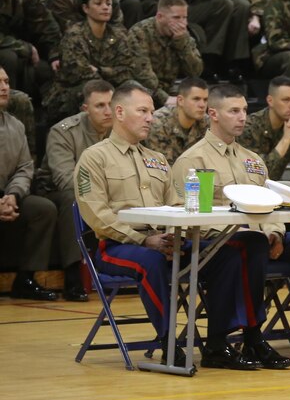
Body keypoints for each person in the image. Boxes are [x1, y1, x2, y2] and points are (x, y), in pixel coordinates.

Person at [76, 82, 264, 370]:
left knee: (226, 253)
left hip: (164, 241)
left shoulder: (158, 160)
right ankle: (169, 343)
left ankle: (217, 343)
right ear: (119, 112)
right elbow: (96, 214)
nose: (151, 118)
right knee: (151, 261)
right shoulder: (95, 158)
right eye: (143, 111)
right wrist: (143, 241)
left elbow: (178, 206)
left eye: (152, 112)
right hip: (116, 246)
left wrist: (176, 235)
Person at [172, 84, 290, 368]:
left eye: (245, 110)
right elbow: (190, 217)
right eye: (234, 111)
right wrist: (245, 233)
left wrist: (276, 233)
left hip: (263, 241)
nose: (242, 116)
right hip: (216, 247)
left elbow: (272, 205)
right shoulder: (193, 161)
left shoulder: (253, 160)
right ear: (213, 114)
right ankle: (238, 339)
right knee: (248, 244)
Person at [34, 79, 114, 301]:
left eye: (110, 104)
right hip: (54, 191)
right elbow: (65, 179)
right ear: (85, 109)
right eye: (100, 106)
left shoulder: (120, 130)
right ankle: (73, 276)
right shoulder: (64, 132)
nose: (107, 111)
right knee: (73, 199)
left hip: (102, 192)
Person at [43, 0, 157, 124]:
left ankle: (139, 133)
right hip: (72, 92)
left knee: (134, 87)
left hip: (109, 88)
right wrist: (110, 75)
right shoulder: (74, 34)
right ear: (85, 8)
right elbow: (78, 73)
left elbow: (127, 70)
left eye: (108, 4)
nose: (105, 7)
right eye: (98, 3)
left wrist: (100, 70)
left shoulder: (118, 35)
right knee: (93, 91)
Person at [0, 66, 58, 301]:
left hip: (7, 195)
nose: (4, 87)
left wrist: (13, 196)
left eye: (5, 82)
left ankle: (25, 279)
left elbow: (25, 167)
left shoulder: (16, 125)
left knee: (43, 209)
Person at [124, 0, 204, 106]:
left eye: (184, 18)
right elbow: (142, 76)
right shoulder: (140, 33)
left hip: (169, 90)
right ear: (160, 17)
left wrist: (181, 43)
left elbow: (195, 72)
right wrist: (166, 99)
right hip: (143, 92)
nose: (182, 23)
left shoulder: (183, 35)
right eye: (176, 18)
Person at [0, 0, 61, 95]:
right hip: (8, 50)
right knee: (9, 58)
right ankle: (8, 107)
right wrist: (24, 47)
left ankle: (36, 112)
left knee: (46, 69)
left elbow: (44, 22)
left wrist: (55, 54)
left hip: (16, 48)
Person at [238, 75, 290, 181]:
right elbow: (257, 176)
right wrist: (286, 140)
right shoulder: (249, 127)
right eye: (286, 100)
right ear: (270, 101)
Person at [144, 77, 208, 162]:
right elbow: (162, 167)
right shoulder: (159, 122)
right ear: (180, 100)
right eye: (196, 99)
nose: (202, 105)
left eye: (205, 100)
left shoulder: (206, 122)